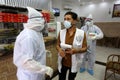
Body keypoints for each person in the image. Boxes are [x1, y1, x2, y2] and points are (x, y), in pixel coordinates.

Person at [13, 7, 53, 80]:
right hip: (29, 76)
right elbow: (26, 62)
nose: (44, 24)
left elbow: (33, 50)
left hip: (36, 74)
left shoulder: (36, 32)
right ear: (38, 22)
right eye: (43, 22)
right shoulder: (29, 37)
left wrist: (43, 52)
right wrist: (45, 69)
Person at [56, 11, 87, 80]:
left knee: (71, 78)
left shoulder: (81, 33)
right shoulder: (61, 32)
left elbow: (85, 48)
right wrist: (60, 50)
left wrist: (76, 51)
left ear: (75, 21)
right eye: (64, 19)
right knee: (61, 78)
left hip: (74, 61)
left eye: (68, 19)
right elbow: (57, 45)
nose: (65, 21)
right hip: (63, 61)